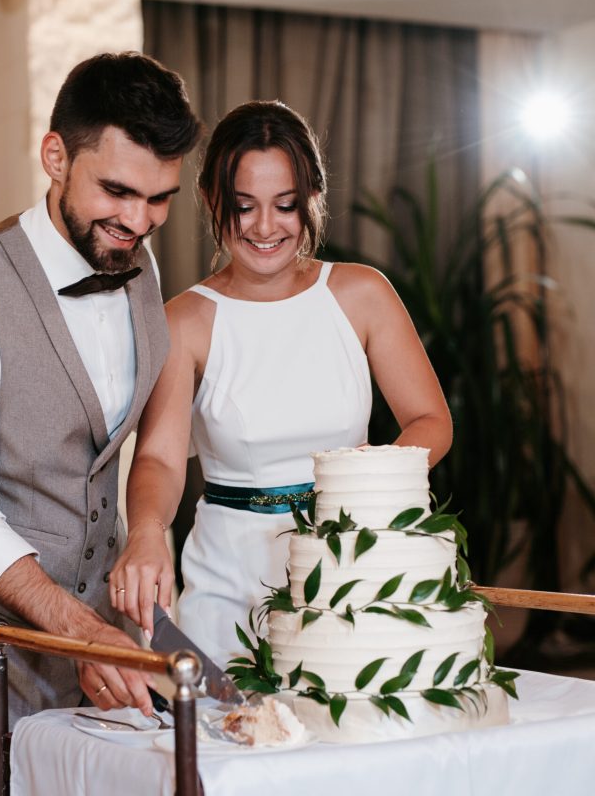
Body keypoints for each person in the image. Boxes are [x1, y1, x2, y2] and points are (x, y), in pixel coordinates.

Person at [0, 52, 201, 796]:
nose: (137, 220)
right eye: (118, 191)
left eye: (160, 199)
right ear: (55, 156)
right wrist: (81, 631)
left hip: (102, 623)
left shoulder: (138, 260)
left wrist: (137, 547)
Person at [109, 100, 452, 669]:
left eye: (285, 205)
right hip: (228, 580)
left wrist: (369, 483)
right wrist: (146, 533)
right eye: (244, 207)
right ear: (212, 201)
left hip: (348, 562)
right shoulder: (184, 321)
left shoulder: (361, 293)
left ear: (312, 199)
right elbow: (161, 462)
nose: (265, 227)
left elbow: (431, 421)